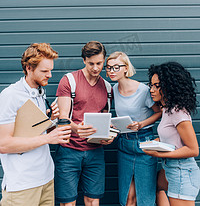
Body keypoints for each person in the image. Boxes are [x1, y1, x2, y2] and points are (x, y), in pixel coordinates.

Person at [0, 43, 71, 206]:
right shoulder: (10, 96)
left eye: (51, 70)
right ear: (28, 68)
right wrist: (49, 138)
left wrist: (51, 121)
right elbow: (3, 144)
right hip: (22, 186)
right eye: (45, 71)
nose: (50, 75)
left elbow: (33, 133)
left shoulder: (39, 92)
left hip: (46, 179)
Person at [54, 41, 113, 206]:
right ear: (84, 61)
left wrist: (108, 136)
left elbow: (105, 119)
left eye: (99, 63)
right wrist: (77, 129)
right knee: (68, 203)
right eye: (91, 63)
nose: (95, 68)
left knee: (93, 200)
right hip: (69, 151)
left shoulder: (107, 87)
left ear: (104, 61)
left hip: (95, 153)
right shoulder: (69, 81)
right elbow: (63, 118)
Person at [105, 51, 162, 206]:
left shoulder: (143, 90)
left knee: (144, 198)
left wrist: (141, 124)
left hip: (144, 144)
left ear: (126, 68)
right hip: (124, 144)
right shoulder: (113, 90)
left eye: (116, 67)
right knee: (127, 198)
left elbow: (159, 112)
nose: (111, 71)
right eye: (109, 67)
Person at [145, 61, 200, 206]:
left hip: (182, 172)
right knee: (159, 189)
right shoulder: (167, 110)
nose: (151, 89)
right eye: (151, 85)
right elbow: (173, 139)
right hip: (171, 168)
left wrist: (160, 154)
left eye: (157, 86)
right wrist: (155, 143)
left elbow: (193, 149)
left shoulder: (178, 111)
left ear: (169, 87)